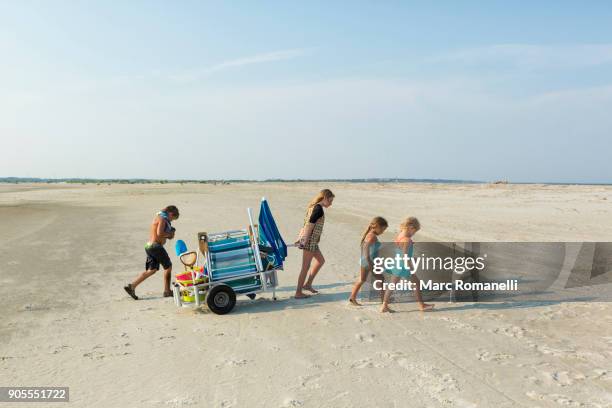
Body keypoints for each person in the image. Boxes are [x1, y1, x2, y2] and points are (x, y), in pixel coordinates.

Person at [124, 205, 179, 300]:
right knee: (168, 266)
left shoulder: (160, 217)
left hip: (149, 246)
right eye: (173, 218)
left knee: (152, 270)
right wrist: (170, 234)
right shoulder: (162, 219)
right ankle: (167, 291)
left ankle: (132, 286)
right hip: (155, 246)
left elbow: (161, 234)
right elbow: (159, 233)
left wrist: (169, 234)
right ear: (170, 213)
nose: (172, 220)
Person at [381, 217, 434, 313]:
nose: (414, 234)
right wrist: (411, 267)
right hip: (403, 265)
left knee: (392, 285)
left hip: (397, 263)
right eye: (414, 231)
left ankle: (384, 305)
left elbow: (401, 248)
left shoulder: (400, 235)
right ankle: (422, 305)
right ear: (411, 228)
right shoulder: (407, 240)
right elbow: (405, 256)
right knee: (416, 283)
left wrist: (409, 244)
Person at [294, 189, 335, 299]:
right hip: (310, 241)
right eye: (330, 201)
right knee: (305, 267)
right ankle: (298, 292)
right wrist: (304, 241)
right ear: (325, 198)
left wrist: (300, 238)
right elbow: (309, 226)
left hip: (312, 241)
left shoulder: (313, 207)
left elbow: (305, 224)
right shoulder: (318, 209)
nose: (331, 204)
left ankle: (307, 285)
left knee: (321, 261)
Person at [349, 217, 388, 305]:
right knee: (380, 279)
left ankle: (352, 297)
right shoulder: (372, 236)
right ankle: (384, 302)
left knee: (362, 279)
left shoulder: (370, 235)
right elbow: (366, 249)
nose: (383, 232)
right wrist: (370, 263)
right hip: (368, 262)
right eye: (382, 229)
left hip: (366, 261)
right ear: (377, 226)